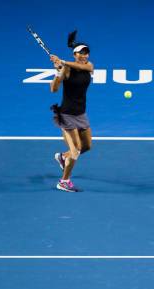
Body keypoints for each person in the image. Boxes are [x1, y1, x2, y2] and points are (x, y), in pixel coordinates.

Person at [49, 30, 94, 192]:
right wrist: (59, 71)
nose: (84, 56)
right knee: (76, 151)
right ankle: (64, 181)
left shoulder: (89, 66)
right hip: (67, 115)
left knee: (87, 146)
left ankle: (63, 157)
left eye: (86, 53)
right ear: (74, 54)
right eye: (80, 53)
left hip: (81, 114)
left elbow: (79, 65)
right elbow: (53, 89)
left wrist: (62, 61)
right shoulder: (66, 70)